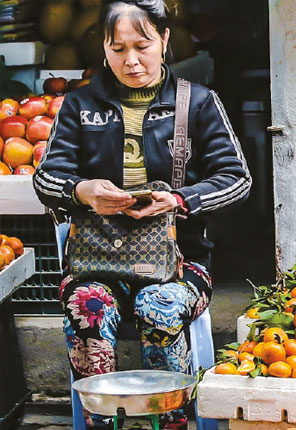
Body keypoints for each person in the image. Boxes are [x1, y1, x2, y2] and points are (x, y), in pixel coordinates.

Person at [33, 0, 251, 428]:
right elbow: (45, 180)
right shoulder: (79, 106)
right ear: (103, 47)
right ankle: (102, 423)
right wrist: (82, 190)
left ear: (165, 40)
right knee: (86, 304)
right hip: (97, 264)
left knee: (159, 305)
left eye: (143, 45)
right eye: (118, 49)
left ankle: (170, 422)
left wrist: (180, 200)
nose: (131, 61)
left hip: (179, 264)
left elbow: (237, 179)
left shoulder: (198, 103)